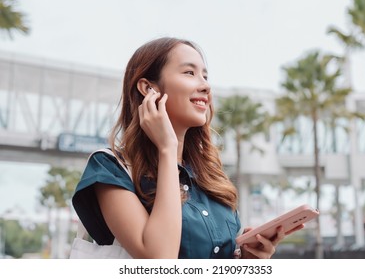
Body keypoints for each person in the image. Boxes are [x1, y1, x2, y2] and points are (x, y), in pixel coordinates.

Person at [72, 37, 302, 259]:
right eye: (189, 73)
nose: (205, 86)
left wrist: (249, 261)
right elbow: (160, 260)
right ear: (148, 88)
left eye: (205, 75)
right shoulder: (110, 169)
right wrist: (167, 149)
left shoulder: (210, 178)